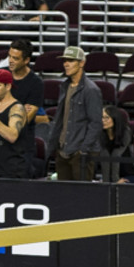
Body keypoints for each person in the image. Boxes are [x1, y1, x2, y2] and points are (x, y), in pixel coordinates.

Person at [47, 46, 104, 181]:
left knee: (82, 196)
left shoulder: (91, 90)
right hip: (63, 150)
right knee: (63, 195)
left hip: (80, 153)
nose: (66, 64)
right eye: (65, 60)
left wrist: (83, 150)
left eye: (71, 60)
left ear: (81, 63)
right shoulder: (64, 86)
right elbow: (61, 118)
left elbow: (95, 123)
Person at [97, 105, 134, 183]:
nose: (103, 120)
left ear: (115, 118)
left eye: (106, 118)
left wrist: (116, 180)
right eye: (102, 117)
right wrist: (105, 181)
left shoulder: (125, 132)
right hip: (106, 175)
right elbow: (104, 155)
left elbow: (116, 154)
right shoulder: (100, 133)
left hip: (125, 174)